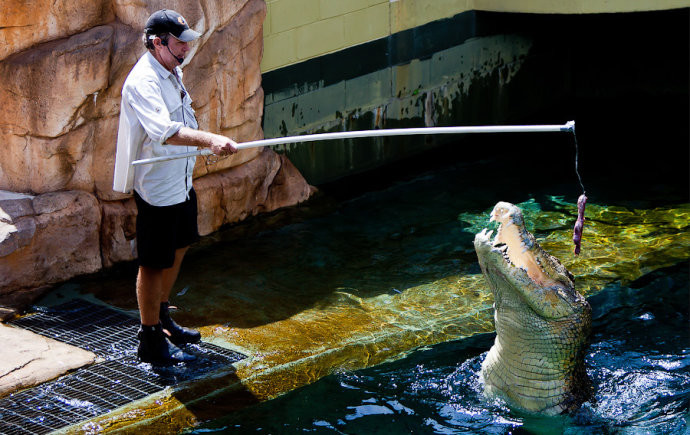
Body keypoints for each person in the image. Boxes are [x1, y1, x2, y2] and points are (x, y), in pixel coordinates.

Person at [113, 9, 237, 366]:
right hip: (157, 188)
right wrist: (209, 140)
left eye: (186, 42)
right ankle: (149, 336)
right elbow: (165, 132)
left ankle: (163, 316)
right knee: (153, 262)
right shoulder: (143, 82)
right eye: (179, 42)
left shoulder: (171, 70)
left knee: (181, 244)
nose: (185, 48)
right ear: (158, 43)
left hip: (181, 181)